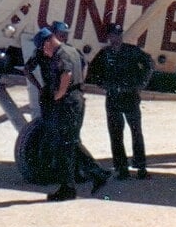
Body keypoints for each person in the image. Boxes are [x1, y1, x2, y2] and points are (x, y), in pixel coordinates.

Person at [50, 20, 112, 190]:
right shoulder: (73, 51)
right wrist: (80, 84)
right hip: (75, 97)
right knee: (71, 140)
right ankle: (84, 174)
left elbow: (66, 74)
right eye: (61, 34)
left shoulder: (62, 52)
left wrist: (60, 93)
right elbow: (84, 67)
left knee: (68, 141)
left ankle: (93, 173)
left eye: (62, 34)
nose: (62, 36)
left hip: (67, 99)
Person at [89, 22, 154, 180]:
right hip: (113, 98)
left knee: (136, 133)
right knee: (116, 135)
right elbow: (93, 71)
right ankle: (121, 168)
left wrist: (141, 84)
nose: (115, 38)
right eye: (112, 35)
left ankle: (141, 167)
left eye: (118, 35)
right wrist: (103, 84)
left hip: (130, 97)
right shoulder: (104, 54)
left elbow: (149, 63)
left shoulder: (131, 51)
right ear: (109, 36)